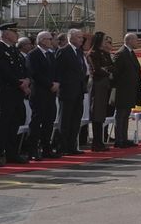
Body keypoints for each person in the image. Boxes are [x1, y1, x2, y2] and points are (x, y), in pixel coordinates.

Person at [0, 23, 28, 167]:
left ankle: (12, 153)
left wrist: (26, 80)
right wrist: (19, 82)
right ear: (5, 34)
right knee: (2, 124)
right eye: (13, 31)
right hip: (5, 92)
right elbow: (1, 70)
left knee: (14, 124)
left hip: (17, 93)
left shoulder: (14, 51)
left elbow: (23, 67)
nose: (16, 34)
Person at [53, 28, 89, 156]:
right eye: (79, 37)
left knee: (75, 119)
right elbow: (58, 70)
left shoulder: (79, 52)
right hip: (67, 90)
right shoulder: (63, 51)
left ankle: (72, 145)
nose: (81, 39)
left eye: (81, 37)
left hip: (79, 90)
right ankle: (62, 147)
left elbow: (82, 69)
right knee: (65, 120)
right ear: (71, 38)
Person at [27, 31, 58, 158]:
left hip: (50, 94)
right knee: (36, 121)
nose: (51, 41)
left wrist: (57, 83)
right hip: (39, 93)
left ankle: (47, 148)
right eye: (49, 39)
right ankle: (32, 150)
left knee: (49, 121)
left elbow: (55, 71)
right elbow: (34, 74)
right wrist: (50, 85)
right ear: (42, 40)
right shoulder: (33, 54)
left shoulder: (50, 55)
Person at [111, 33, 141, 148]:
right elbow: (115, 73)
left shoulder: (130, 53)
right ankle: (119, 140)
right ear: (129, 40)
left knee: (126, 115)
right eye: (136, 40)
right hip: (122, 91)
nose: (137, 42)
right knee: (120, 115)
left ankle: (123, 138)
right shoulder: (121, 53)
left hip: (130, 91)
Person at [87, 31, 113, 152]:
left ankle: (100, 141)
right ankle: (96, 142)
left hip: (105, 85)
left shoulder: (104, 53)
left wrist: (106, 69)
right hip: (97, 85)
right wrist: (106, 70)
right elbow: (96, 69)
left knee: (102, 114)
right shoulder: (92, 53)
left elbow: (111, 66)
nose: (106, 42)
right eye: (104, 39)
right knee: (97, 113)